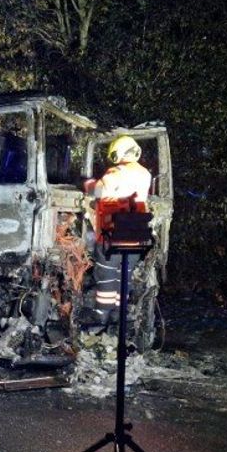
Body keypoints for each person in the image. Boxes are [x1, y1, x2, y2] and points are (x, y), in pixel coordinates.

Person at [81, 135, 152, 327]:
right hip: (136, 234)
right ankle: (118, 316)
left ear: (118, 152)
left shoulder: (116, 172)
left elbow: (98, 192)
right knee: (124, 276)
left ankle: (101, 315)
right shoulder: (145, 174)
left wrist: (88, 183)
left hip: (113, 234)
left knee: (107, 276)